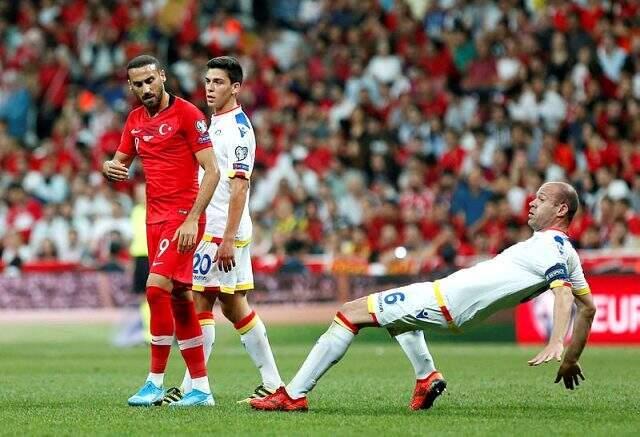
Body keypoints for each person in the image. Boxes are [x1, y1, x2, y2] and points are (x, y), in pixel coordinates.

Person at [250, 182, 597, 412]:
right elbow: (589, 308)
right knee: (399, 319)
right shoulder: (567, 253)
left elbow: (564, 296)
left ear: (562, 209)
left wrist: (558, 342)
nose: (532, 203)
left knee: (348, 313)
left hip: (447, 300)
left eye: (542, 199)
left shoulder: (549, 248)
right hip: (450, 300)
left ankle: (293, 395)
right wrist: (572, 358)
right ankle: (426, 376)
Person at [163, 56, 282, 405]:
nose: (210, 88)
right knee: (233, 305)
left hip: (219, 231)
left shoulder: (238, 130)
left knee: (199, 300)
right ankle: (273, 381)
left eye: (218, 82)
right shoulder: (214, 122)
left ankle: (192, 387)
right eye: (208, 81)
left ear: (236, 87)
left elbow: (240, 187)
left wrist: (227, 238)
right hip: (214, 228)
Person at [102, 55, 220, 407]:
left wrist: (191, 219)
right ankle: (201, 389)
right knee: (180, 298)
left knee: (155, 289)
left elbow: (212, 171)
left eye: (150, 80)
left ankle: (155, 382)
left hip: (182, 218)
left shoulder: (187, 114)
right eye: (138, 84)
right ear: (131, 87)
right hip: (153, 221)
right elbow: (119, 162)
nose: (145, 89)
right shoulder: (135, 120)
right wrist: (110, 167)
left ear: (162, 77)